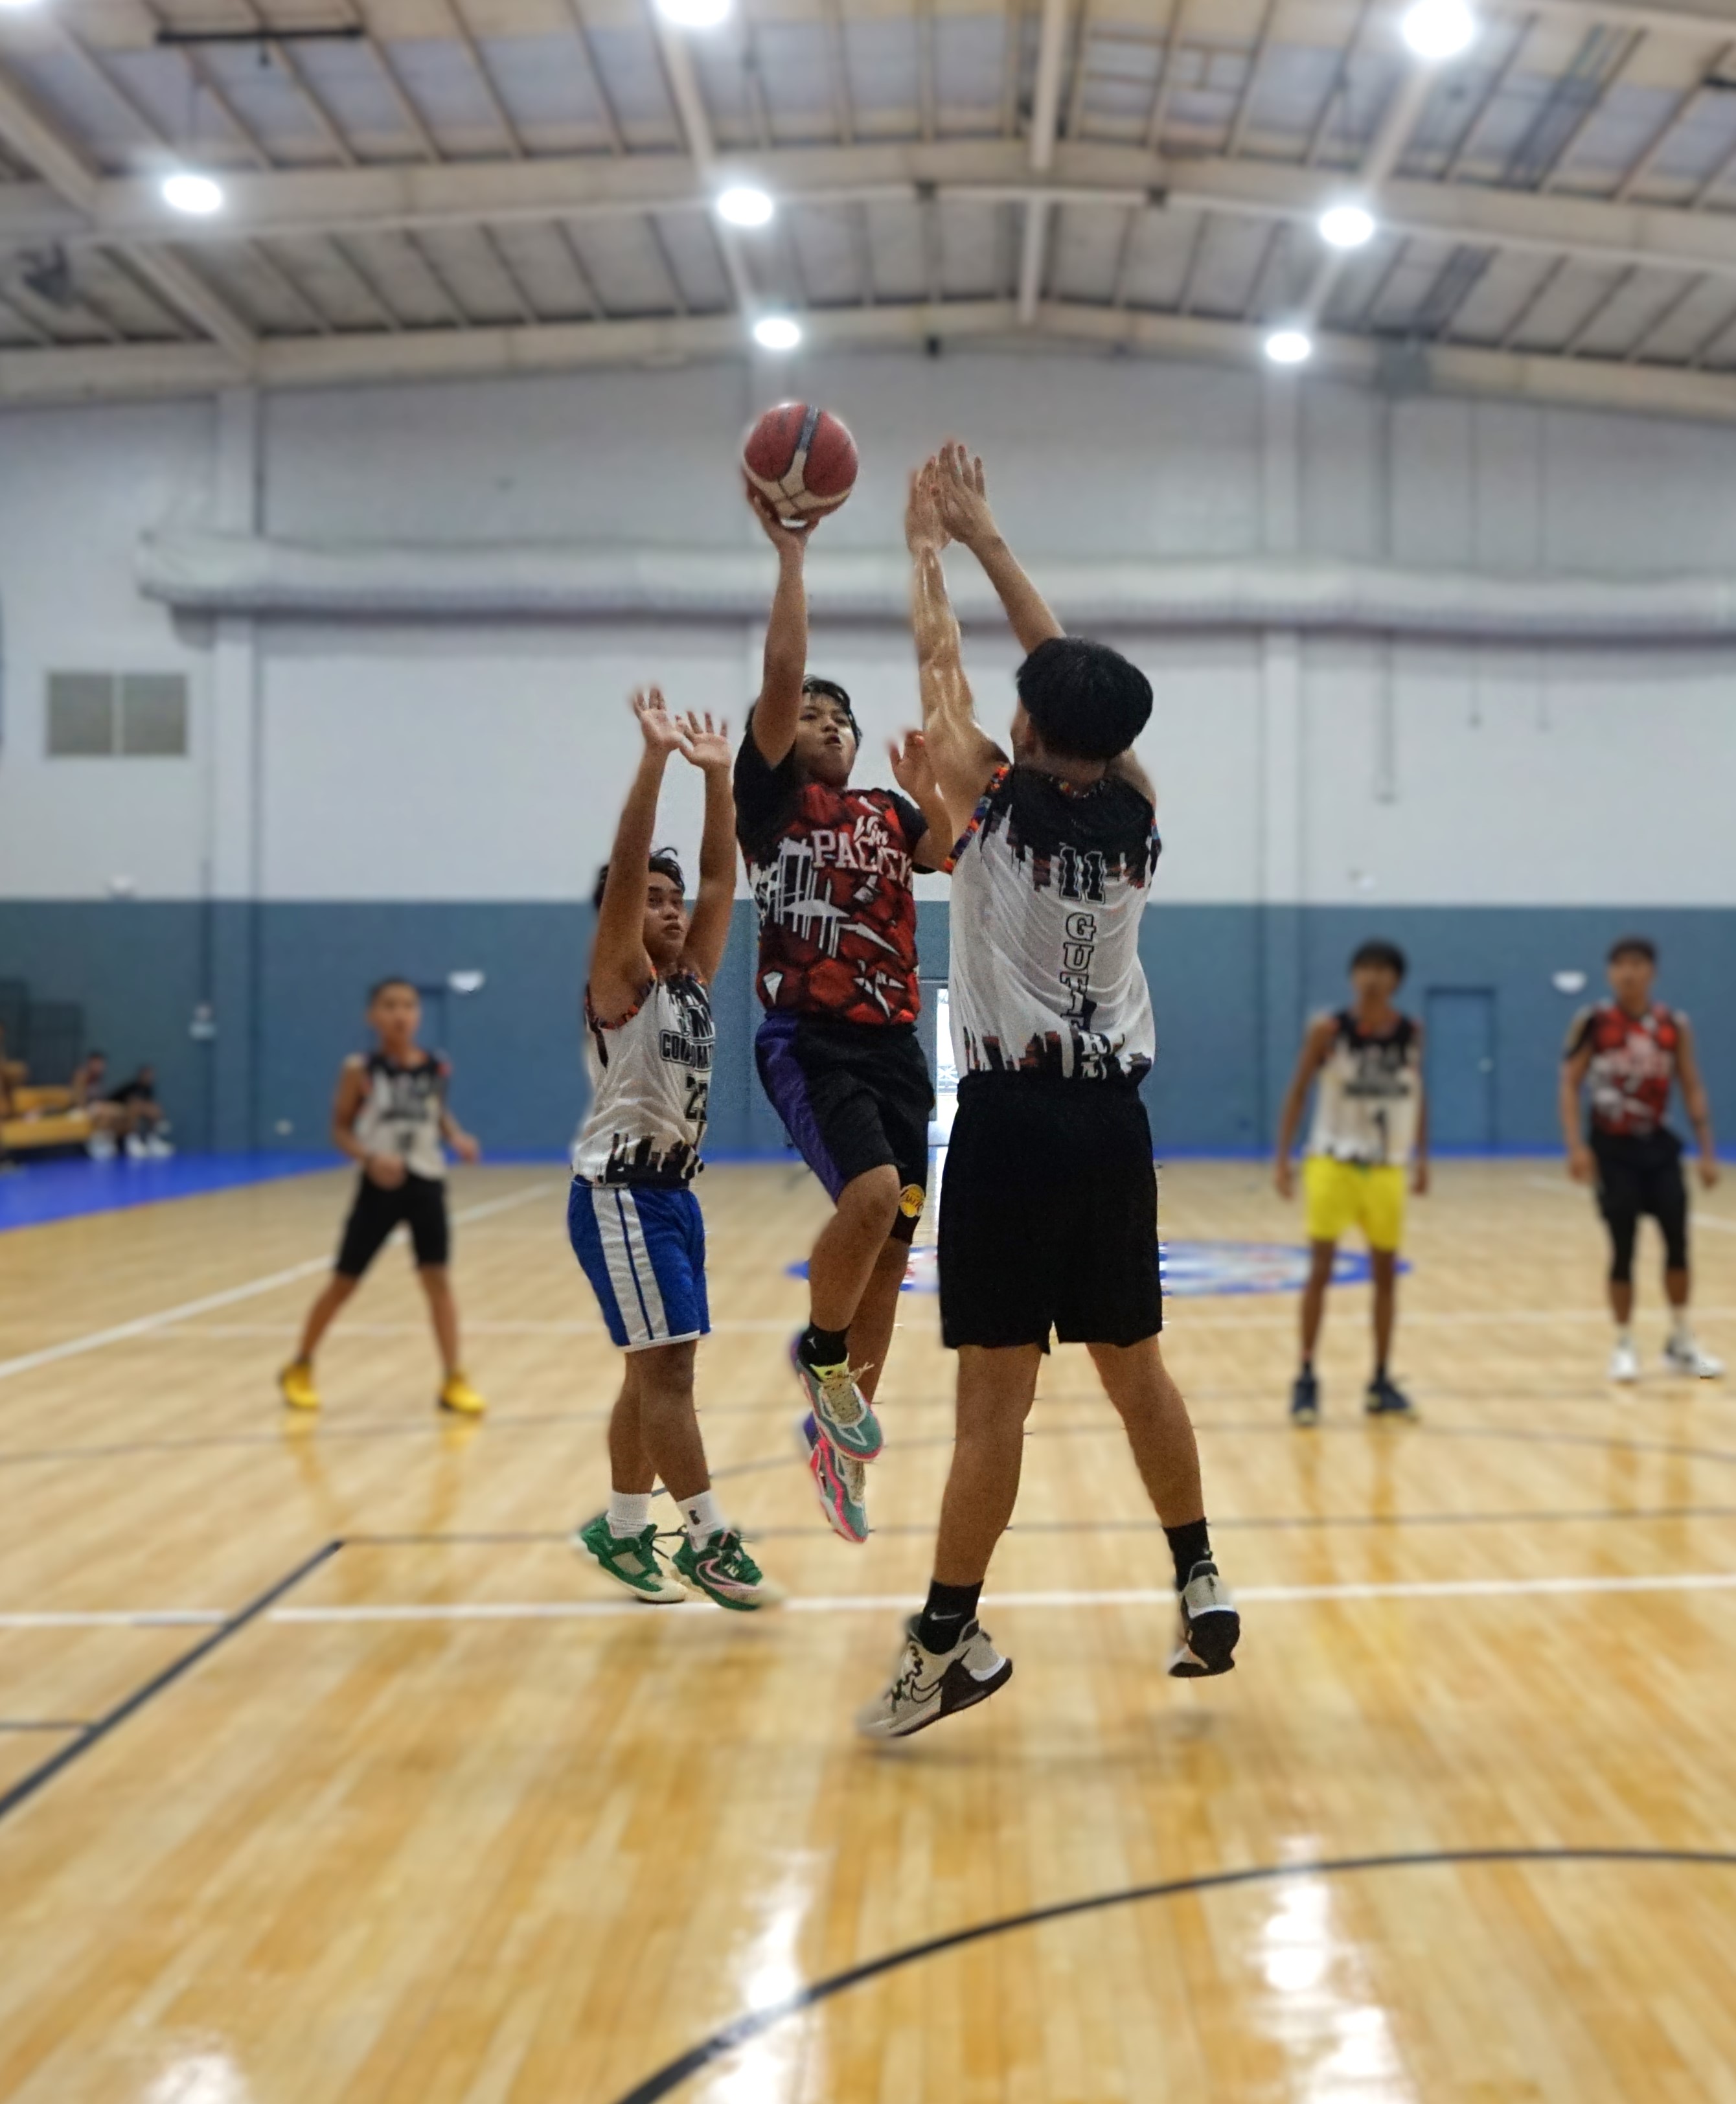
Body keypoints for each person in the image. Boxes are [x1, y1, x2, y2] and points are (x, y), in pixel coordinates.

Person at [858, 442, 1240, 1739]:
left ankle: (943, 1641)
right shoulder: (1130, 802)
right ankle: (1197, 1573)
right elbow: (1062, 675)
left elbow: (941, 663)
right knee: (1137, 1371)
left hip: (1013, 1131)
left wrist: (928, 544)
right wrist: (992, 537)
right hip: (1111, 1130)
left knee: (990, 1407)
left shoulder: (988, 794)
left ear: (1029, 729)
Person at [737, 483, 955, 1548]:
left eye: (841, 715)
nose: (826, 721)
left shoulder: (886, 811)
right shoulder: (776, 804)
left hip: (897, 1043)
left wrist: (937, 790)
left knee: (894, 1246)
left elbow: (955, 847)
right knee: (869, 1197)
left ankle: (839, 1430)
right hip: (811, 1038)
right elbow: (782, 681)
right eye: (812, 716)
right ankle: (821, 1359)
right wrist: (792, 558)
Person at [569, 690, 781, 1611]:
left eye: (669, 900)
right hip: (621, 1192)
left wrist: (722, 775)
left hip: (673, 1197)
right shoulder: (620, 979)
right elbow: (629, 866)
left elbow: (724, 882)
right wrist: (656, 762)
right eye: (648, 900)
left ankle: (621, 1529)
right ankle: (707, 1537)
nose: (666, 908)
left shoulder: (691, 979)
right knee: (672, 1371)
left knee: (651, 1368)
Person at [279, 979, 486, 1417]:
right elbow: (339, 1129)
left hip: (427, 1180)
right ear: (372, 1016)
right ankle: (300, 1366)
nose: (400, 1014)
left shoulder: (435, 1066)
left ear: (418, 1014)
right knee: (344, 1281)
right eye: (390, 1005)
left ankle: (452, 1378)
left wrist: (457, 1137)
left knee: (438, 1281)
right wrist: (369, 1157)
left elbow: (436, 1113)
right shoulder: (360, 1070)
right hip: (380, 1184)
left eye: (408, 1005)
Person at [1272, 941, 1428, 1424]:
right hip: (1332, 1162)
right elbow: (1298, 1091)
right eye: (1365, 968)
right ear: (1353, 975)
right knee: (1320, 1270)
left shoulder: (1409, 1033)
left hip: (1386, 1167)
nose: (1372, 978)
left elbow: (1416, 1094)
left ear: (1396, 980)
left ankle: (1380, 1381)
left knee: (1385, 1275)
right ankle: (1306, 1377)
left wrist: (1422, 1156)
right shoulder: (1329, 1031)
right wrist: (1282, 1158)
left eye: (1382, 970)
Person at [1560, 936, 1722, 1383]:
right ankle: (1624, 1342)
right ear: (1610, 973)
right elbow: (1569, 1082)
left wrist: (1707, 1150)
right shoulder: (1593, 1022)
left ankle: (1681, 1339)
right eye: (1620, 965)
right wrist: (1576, 1145)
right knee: (1623, 1248)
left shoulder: (1672, 1024)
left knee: (1678, 1244)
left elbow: (1691, 1084)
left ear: (1652, 972)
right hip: (1613, 1151)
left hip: (1660, 1147)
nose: (1629, 973)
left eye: (1638, 965)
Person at [106, 1063, 174, 1157]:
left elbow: (148, 1105)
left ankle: (153, 1140)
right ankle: (132, 1141)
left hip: (134, 1111)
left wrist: (155, 1112)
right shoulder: (133, 1087)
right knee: (135, 1107)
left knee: (154, 1108)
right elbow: (131, 1104)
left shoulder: (148, 1089)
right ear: (141, 1075)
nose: (149, 1077)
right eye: (147, 1075)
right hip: (118, 1108)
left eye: (151, 1075)